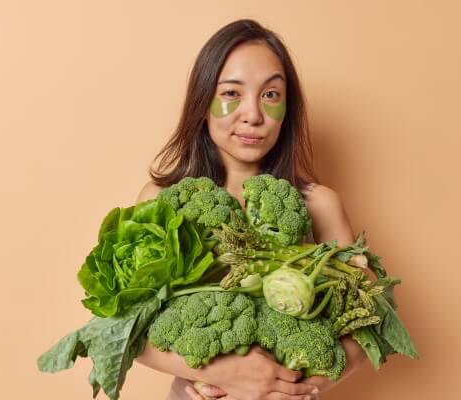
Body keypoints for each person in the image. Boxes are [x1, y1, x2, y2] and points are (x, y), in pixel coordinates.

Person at [134, 19, 368, 400]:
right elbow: (126, 325)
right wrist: (216, 373)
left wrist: (293, 388)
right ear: (202, 101)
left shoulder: (318, 205)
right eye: (231, 93)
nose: (253, 115)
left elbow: (368, 330)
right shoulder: (161, 200)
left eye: (271, 95)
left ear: (287, 106)